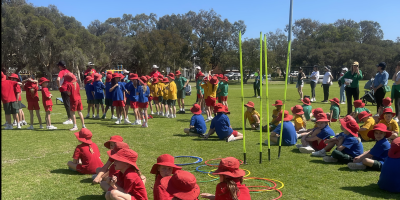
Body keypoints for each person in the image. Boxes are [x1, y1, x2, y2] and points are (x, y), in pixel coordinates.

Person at [56, 61, 73, 125]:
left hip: (64, 89)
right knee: (70, 103)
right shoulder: (68, 71)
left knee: (67, 104)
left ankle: (70, 119)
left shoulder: (62, 71)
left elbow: (58, 79)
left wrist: (59, 86)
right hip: (70, 89)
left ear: (60, 66)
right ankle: (72, 117)